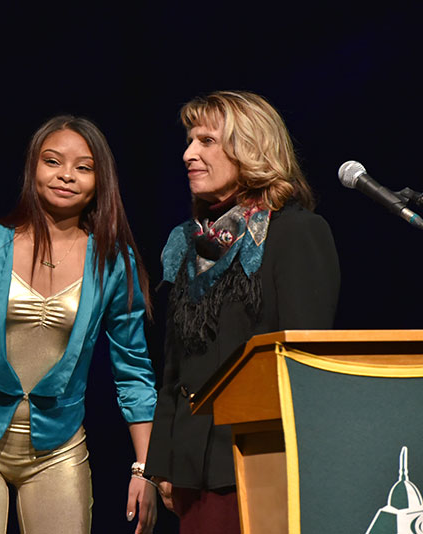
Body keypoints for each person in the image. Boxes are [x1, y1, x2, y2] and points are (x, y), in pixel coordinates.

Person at [0, 115, 158, 534]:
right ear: (33, 168)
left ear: (101, 182)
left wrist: (144, 470)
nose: (67, 175)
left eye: (84, 167)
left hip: (58, 448)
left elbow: (133, 372)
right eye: (53, 161)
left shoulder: (114, 263)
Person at [144, 90, 340, 533]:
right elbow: (175, 366)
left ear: (251, 149)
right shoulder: (195, 243)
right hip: (194, 468)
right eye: (190, 140)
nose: (188, 154)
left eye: (207, 141)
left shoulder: (295, 233)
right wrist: (164, 462)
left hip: (262, 463)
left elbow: (306, 366)